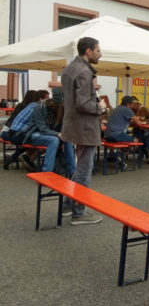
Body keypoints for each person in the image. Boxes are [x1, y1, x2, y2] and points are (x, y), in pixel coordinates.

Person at [61, 36, 106, 225]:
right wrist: (100, 107)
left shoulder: (70, 68)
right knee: (85, 170)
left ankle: (67, 205)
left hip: (73, 125)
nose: (100, 54)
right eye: (98, 50)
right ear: (88, 51)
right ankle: (79, 212)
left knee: (81, 167)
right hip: (85, 127)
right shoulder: (84, 72)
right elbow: (83, 103)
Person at [27, 87, 76, 175]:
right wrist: (58, 134)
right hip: (36, 134)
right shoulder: (40, 107)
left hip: (54, 135)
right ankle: (46, 173)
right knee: (54, 140)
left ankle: (72, 172)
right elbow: (42, 129)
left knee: (67, 139)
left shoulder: (65, 108)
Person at [105, 96, 149, 164]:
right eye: (132, 103)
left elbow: (130, 120)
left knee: (130, 139)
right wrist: (142, 122)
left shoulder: (118, 108)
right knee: (136, 141)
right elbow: (137, 121)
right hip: (116, 134)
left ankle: (116, 155)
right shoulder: (126, 109)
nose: (133, 105)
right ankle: (119, 156)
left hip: (107, 135)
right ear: (128, 104)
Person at [2, 90, 43, 169]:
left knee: (31, 138)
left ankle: (16, 158)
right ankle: (23, 158)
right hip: (10, 131)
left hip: (10, 129)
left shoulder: (22, 105)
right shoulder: (29, 107)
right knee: (32, 139)